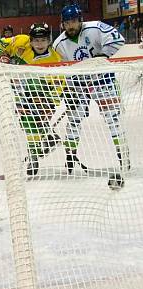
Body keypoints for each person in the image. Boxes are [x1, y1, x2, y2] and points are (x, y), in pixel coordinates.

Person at [53, 4, 127, 187]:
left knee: (113, 118)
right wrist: (68, 91)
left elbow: (119, 39)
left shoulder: (95, 28)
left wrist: (102, 56)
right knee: (74, 119)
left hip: (104, 81)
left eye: (73, 21)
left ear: (80, 20)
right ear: (62, 24)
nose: (70, 25)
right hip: (78, 84)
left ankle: (123, 156)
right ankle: (70, 158)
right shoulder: (58, 45)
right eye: (67, 22)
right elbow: (64, 69)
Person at [2, 23, 64, 175]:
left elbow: (59, 82)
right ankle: (49, 136)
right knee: (27, 124)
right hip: (24, 95)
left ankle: (34, 157)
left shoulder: (55, 58)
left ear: (49, 41)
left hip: (44, 98)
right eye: (36, 40)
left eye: (43, 40)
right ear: (30, 41)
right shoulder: (23, 53)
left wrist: (51, 103)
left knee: (32, 125)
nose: (40, 44)